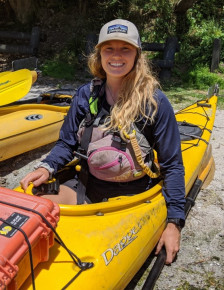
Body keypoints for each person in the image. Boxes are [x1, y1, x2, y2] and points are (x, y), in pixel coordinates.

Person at [20, 19, 186, 264]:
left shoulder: (155, 103)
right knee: (32, 209)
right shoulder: (85, 96)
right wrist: (47, 167)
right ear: (99, 55)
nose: (116, 56)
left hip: (133, 197)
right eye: (109, 49)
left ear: (137, 55)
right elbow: (66, 144)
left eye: (125, 49)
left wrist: (174, 223)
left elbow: (172, 165)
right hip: (88, 186)